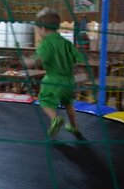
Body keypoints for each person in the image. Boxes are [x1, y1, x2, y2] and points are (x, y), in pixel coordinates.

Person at [24, 7, 84, 138]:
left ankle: (54, 118)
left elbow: (38, 59)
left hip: (52, 79)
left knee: (44, 101)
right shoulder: (67, 42)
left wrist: (28, 61)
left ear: (43, 29)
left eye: (38, 30)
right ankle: (74, 127)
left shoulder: (46, 44)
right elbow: (79, 59)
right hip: (69, 80)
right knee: (68, 103)